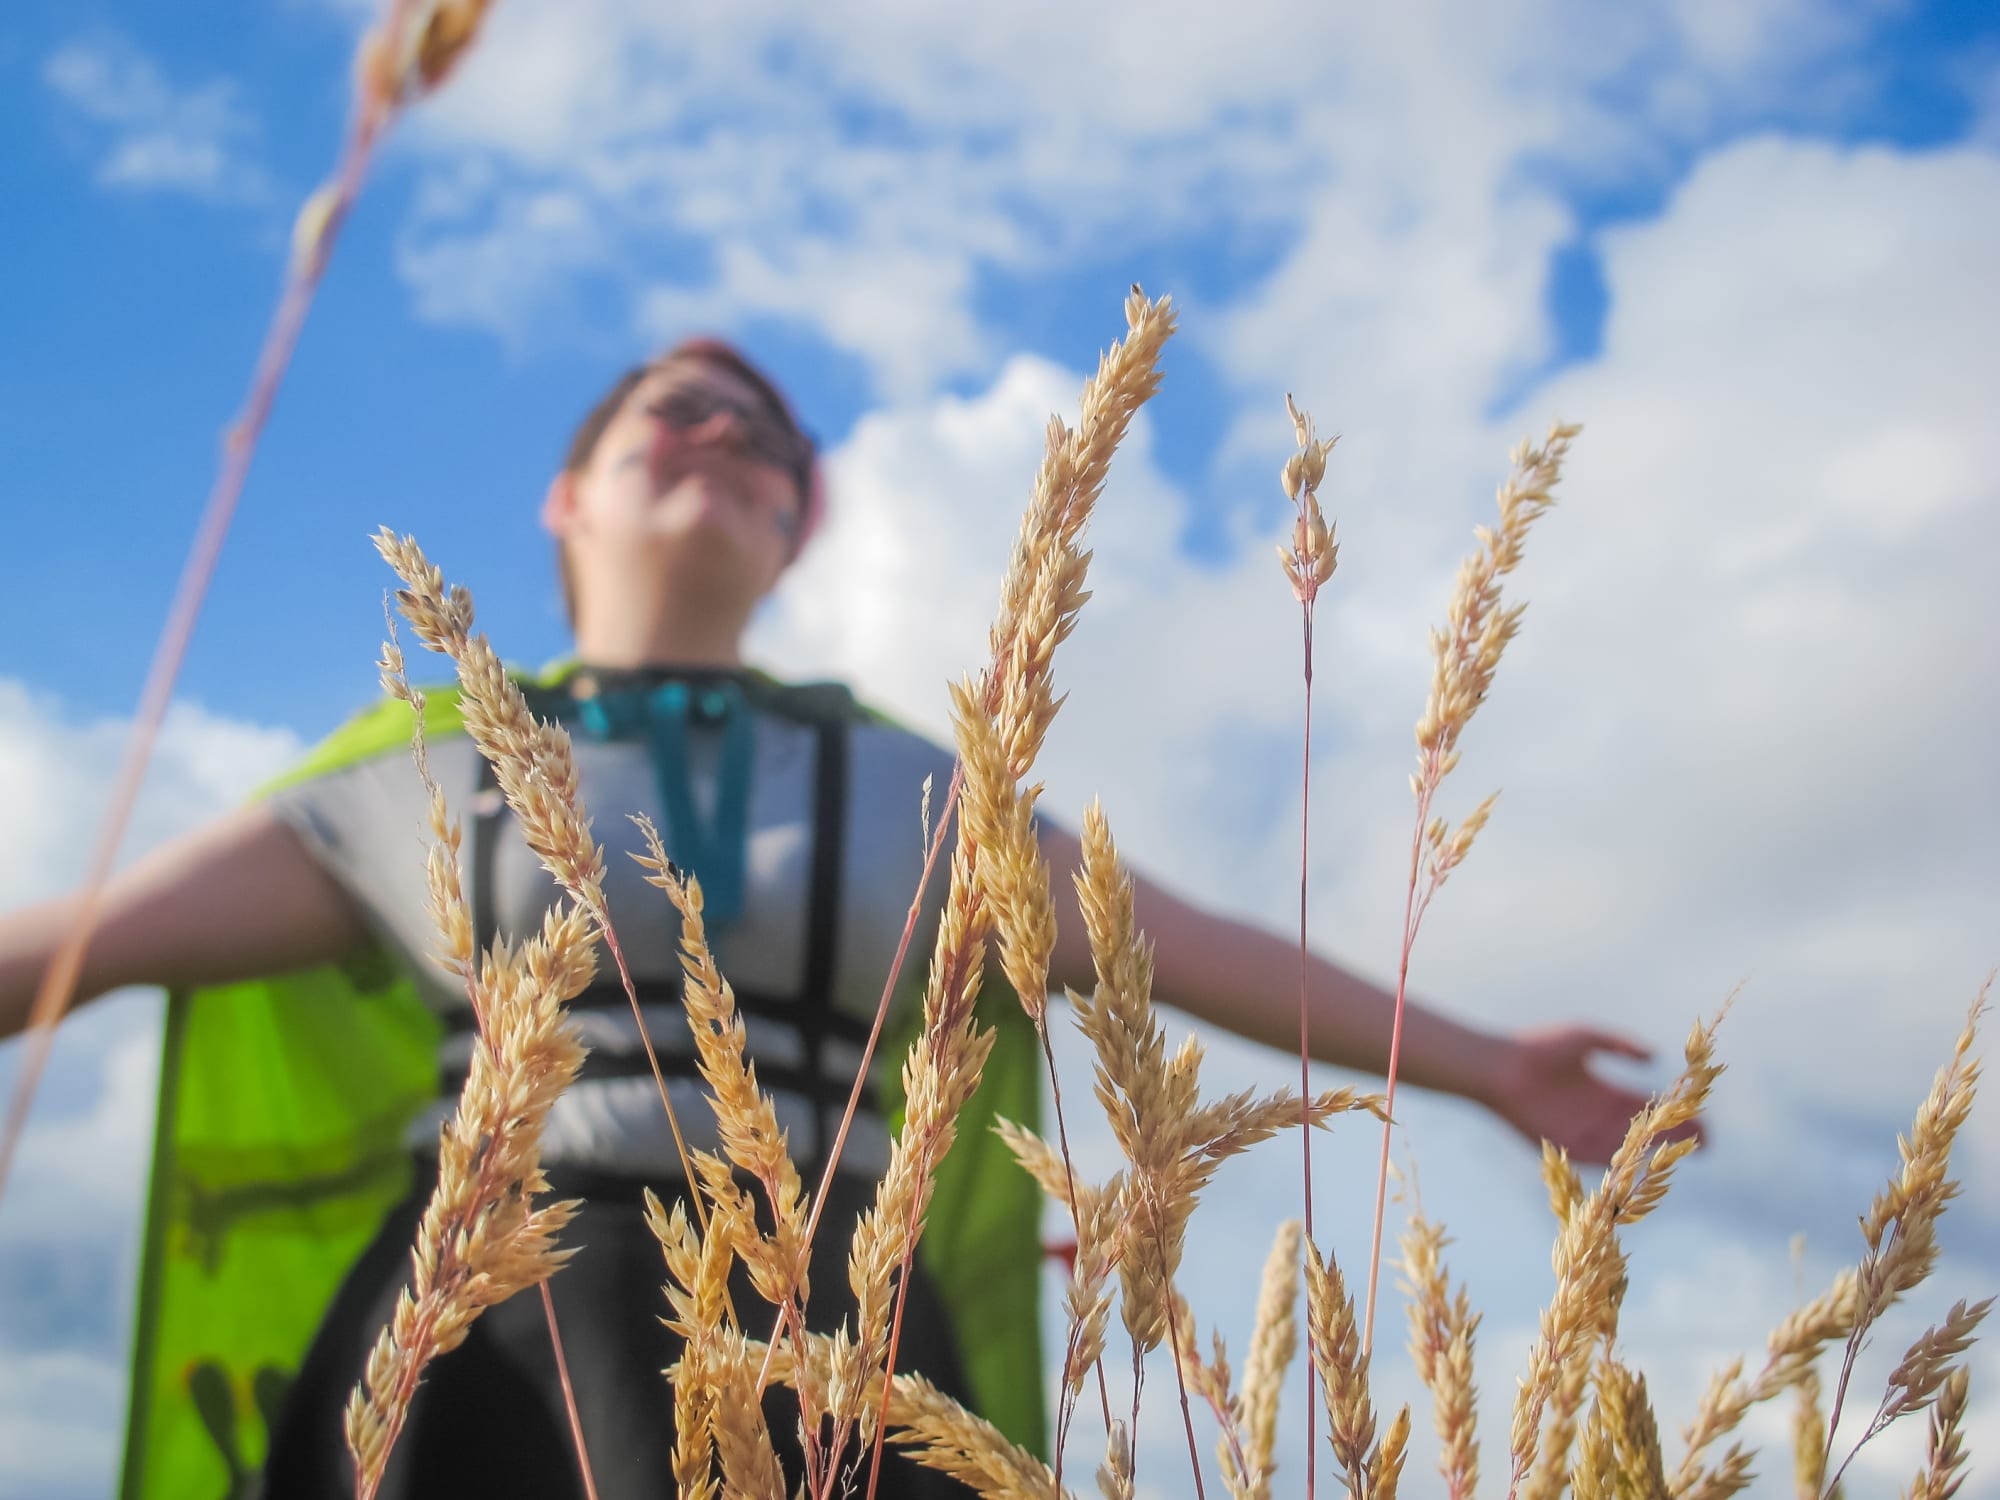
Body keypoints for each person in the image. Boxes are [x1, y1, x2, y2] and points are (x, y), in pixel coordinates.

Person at [0, 340, 1668, 1499]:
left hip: (844, 1322)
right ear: (564, 500)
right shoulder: (431, 770)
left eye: (764, 435)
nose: (723, 435)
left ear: (798, 526)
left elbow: (1200, 948)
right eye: (673, 411)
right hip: (499, 1309)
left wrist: (1494, 1070)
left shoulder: (916, 785)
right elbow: (80, 946)